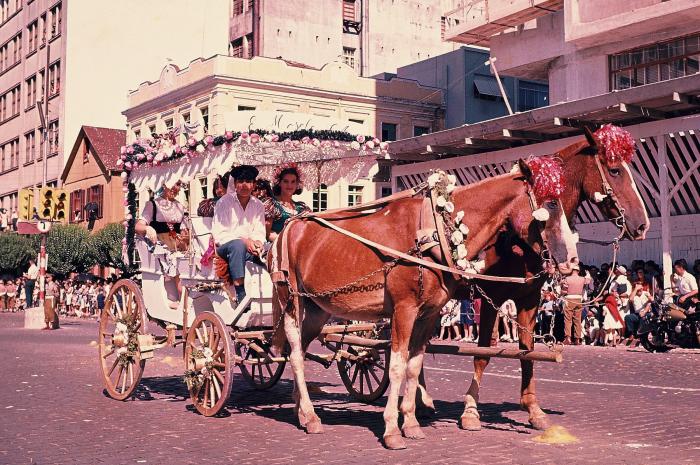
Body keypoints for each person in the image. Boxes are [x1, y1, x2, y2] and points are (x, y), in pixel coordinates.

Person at [213, 165, 266, 304]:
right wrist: (244, 241)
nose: (244, 185)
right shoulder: (224, 202)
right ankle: (240, 292)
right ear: (235, 184)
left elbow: (259, 231)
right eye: (240, 181)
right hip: (226, 248)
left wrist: (258, 243)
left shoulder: (258, 205)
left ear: (253, 185)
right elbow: (220, 234)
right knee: (237, 246)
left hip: (249, 248)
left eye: (248, 181)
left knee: (272, 248)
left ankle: (274, 289)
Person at [135, 180, 189, 252]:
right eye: (171, 183)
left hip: (177, 252)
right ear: (164, 185)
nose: (175, 187)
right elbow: (138, 226)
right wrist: (147, 228)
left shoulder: (181, 208)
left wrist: (185, 239)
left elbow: (184, 234)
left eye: (178, 184)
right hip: (158, 253)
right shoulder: (152, 204)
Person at [263, 164, 311, 242]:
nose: (289, 185)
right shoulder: (272, 205)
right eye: (286, 181)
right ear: (279, 183)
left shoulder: (302, 208)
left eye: (293, 182)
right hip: (276, 248)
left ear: (297, 184)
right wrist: (285, 243)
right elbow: (267, 233)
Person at [562, 265, 591, 345]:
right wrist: (588, 274)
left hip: (569, 299)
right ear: (578, 271)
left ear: (571, 270)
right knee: (577, 320)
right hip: (578, 300)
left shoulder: (567, 279)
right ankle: (577, 338)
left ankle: (568, 338)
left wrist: (560, 294)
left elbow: (564, 291)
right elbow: (588, 281)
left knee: (568, 319)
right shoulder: (582, 279)